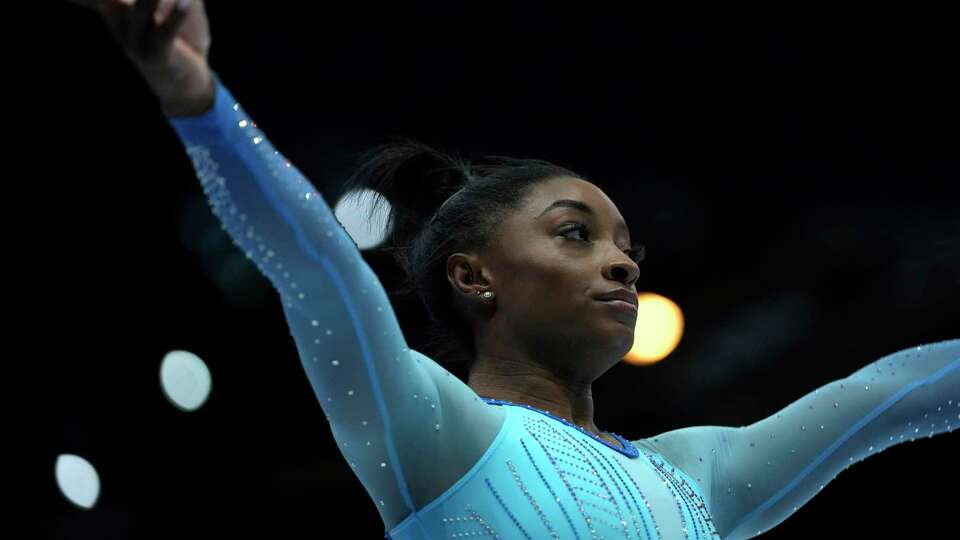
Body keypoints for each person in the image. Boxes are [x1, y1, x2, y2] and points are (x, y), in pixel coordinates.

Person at [71, 1, 959, 538]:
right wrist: (200, 104)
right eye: (576, 234)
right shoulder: (437, 434)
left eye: (626, 248)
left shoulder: (699, 478)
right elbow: (319, 270)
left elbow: (903, 388)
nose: (620, 262)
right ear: (474, 276)